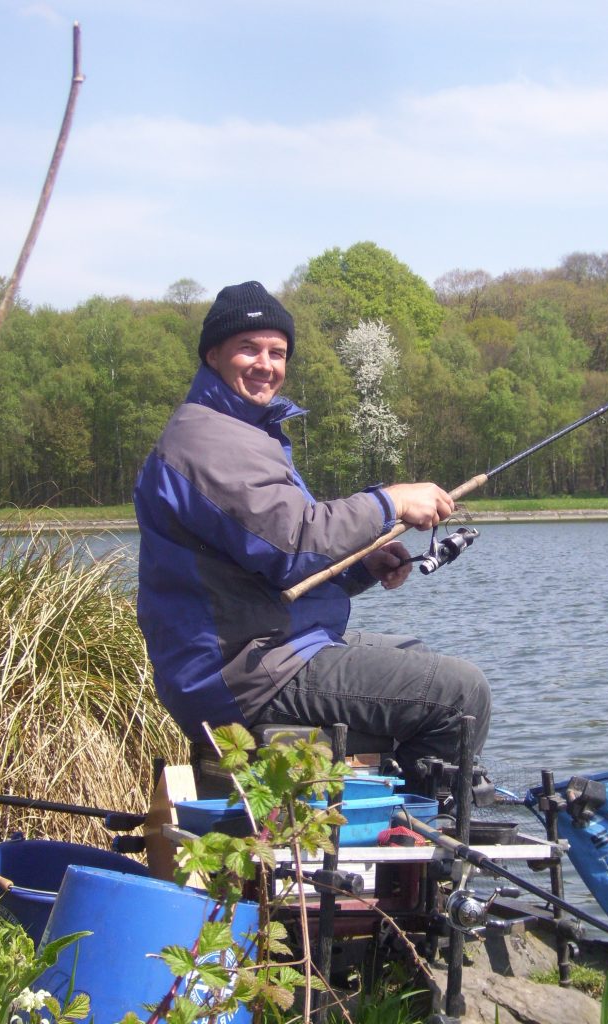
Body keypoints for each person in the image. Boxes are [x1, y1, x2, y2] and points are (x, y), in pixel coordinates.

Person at [133, 280, 491, 789]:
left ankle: (399, 806)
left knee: (415, 654)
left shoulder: (244, 434)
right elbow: (296, 541)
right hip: (242, 673)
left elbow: (268, 565)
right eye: (248, 348)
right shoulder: (207, 440)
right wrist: (390, 501)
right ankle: (422, 837)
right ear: (212, 354)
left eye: (277, 352)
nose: (265, 364)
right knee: (461, 692)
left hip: (265, 645)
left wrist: (360, 568)